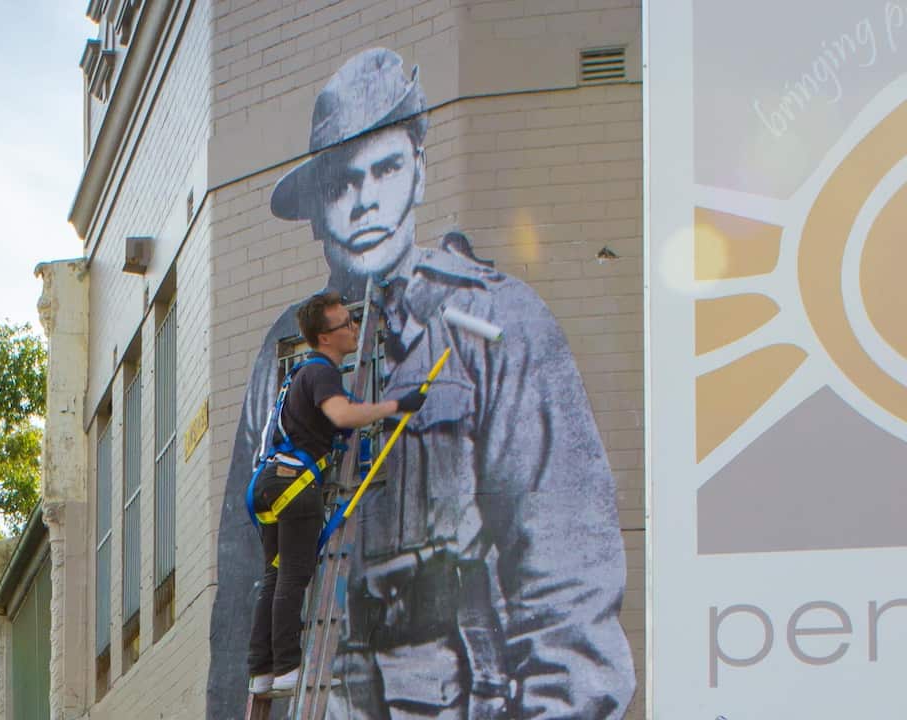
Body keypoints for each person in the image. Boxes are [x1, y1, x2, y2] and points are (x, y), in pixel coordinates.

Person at [207, 48, 636, 720]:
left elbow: (568, 582)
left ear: (420, 176)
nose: (365, 199)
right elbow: (241, 583)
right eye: (343, 183)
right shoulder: (283, 356)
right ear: (318, 210)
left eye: (385, 169)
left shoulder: (498, 322)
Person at [247, 291, 426, 695]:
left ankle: (262, 672)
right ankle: (289, 668)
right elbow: (342, 415)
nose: (353, 329)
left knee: (275, 577)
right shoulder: (322, 372)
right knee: (294, 575)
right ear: (324, 338)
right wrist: (396, 405)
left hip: (270, 484)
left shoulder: (300, 375)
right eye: (345, 324)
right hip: (294, 486)